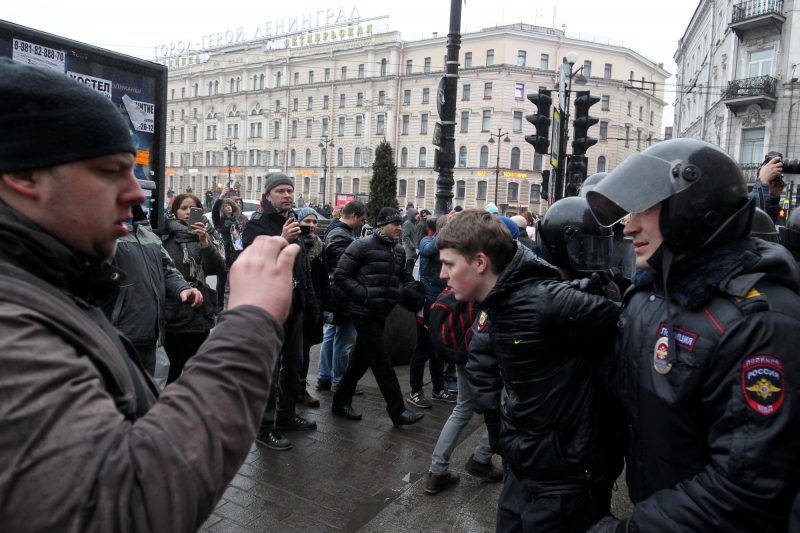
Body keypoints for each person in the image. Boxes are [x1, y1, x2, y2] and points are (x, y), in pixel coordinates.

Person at [0, 58, 297, 532]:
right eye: (108, 171)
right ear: (25, 176)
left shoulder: (49, 277)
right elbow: (125, 508)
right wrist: (251, 320)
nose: (139, 194)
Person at [585, 138, 800, 531]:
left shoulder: (760, 321)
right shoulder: (654, 291)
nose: (629, 226)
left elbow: (747, 487)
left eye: (645, 208)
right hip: (659, 502)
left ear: (692, 208)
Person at [436, 209, 620, 532]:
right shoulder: (498, 304)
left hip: (564, 483)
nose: (441, 274)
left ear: (480, 263)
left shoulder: (546, 302)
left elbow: (629, 327)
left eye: (449, 264)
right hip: (524, 471)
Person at [331, 207, 426, 427]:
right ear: (382, 225)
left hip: (382, 311)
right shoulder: (361, 246)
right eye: (394, 224)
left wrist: (412, 291)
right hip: (363, 312)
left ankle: (340, 403)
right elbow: (341, 275)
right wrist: (362, 294)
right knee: (382, 361)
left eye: (400, 224)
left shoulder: (399, 250)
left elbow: (402, 278)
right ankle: (397, 411)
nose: (399, 228)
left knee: (359, 361)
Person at [243, 172, 318, 451]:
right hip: (269, 308)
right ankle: (264, 427)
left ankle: (286, 415)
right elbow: (254, 261)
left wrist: (310, 305)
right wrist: (281, 238)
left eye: (290, 190)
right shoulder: (257, 226)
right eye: (281, 191)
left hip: (294, 307)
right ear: (268, 195)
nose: (287, 195)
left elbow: (303, 268)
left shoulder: (295, 225)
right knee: (270, 371)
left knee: (294, 366)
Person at [104, 203, 200, 376]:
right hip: (118, 335)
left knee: (145, 394)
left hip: (150, 333)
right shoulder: (104, 235)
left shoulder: (148, 235)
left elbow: (167, 269)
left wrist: (182, 288)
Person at [160, 193, 226, 383]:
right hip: (174, 312)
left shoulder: (207, 234)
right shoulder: (165, 235)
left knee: (196, 372)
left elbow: (217, 268)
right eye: (183, 208)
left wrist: (205, 243)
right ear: (175, 211)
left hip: (200, 312)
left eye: (193, 208)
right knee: (172, 370)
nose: (188, 212)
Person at [407, 215, 457, 409]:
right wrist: (447, 228)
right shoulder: (428, 241)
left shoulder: (451, 246)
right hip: (427, 302)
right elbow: (427, 250)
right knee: (422, 348)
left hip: (443, 302)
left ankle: (438, 388)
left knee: (438, 349)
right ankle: (415, 391)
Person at [317, 201, 367, 393]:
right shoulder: (340, 234)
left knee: (331, 334)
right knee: (344, 339)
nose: (363, 223)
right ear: (354, 216)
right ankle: (339, 382)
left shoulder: (336, 230)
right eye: (362, 219)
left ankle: (324, 377)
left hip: (335, 292)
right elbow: (343, 266)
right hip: (343, 294)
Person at [295, 206, 328, 407]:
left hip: (313, 303)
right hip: (295, 302)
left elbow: (323, 278)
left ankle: (301, 389)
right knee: (290, 351)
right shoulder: (292, 244)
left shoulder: (319, 245)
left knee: (305, 349)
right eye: (307, 222)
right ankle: (285, 389)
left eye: (314, 222)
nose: (312, 226)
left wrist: (326, 305)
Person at [749, 150, 786, 223]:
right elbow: (755, 222)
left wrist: (774, 198)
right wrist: (762, 182)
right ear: (760, 170)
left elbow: (769, 224)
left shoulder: (773, 197)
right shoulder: (745, 199)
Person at [402, 207, 420, 274]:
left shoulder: (414, 223)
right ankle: (407, 283)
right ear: (412, 215)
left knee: (410, 270)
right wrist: (412, 246)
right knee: (408, 271)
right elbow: (405, 236)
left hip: (412, 250)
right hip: (409, 251)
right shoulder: (407, 223)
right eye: (416, 214)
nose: (417, 216)